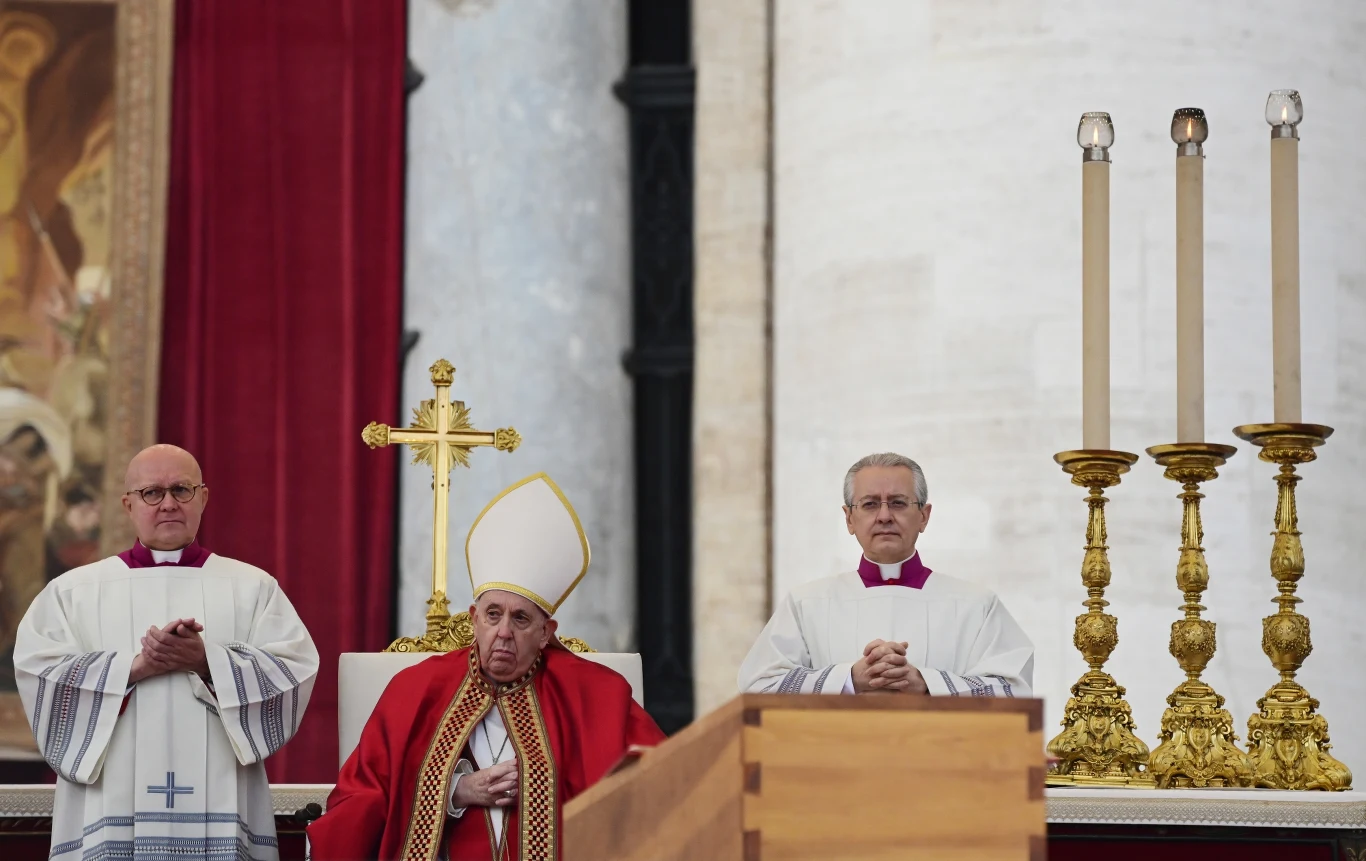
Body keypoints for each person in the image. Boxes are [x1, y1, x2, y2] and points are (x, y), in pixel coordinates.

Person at [309, 473, 664, 861]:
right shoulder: (414, 689)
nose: (504, 632)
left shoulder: (598, 695)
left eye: (522, 620)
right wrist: (455, 790)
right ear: (474, 617)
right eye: (493, 615)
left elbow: (658, 779)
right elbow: (361, 796)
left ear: (547, 632)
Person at [14, 444, 319, 861]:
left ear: (204, 498)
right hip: (111, 797)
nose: (169, 503)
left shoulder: (251, 587)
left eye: (182, 489)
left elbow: (293, 669)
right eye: (152, 493)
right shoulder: (74, 592)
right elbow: (40, 673)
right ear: (128, 504)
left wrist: (207, 661)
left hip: (219, 796)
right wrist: (133, 668)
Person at [738, 452, 1033, 698]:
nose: (884, 516)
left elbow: (1014, 690)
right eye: (869, 504)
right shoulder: (806, 604)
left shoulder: (977, 605)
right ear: (849, 518)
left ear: (924, 516)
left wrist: (924, 683)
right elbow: (758, 686)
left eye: (898, 502)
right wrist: (848, 679)